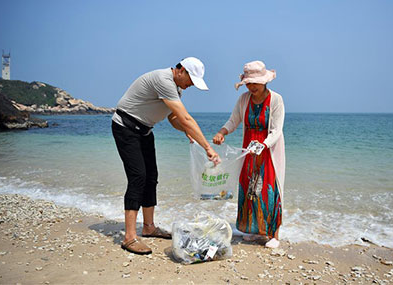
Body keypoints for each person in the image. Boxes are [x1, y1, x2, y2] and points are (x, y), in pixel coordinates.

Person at [112, 57, 220, 255]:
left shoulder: (176, 88)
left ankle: (149, 227)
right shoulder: (163, 80)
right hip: (125, 127)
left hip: (144, 130)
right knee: (138, 177)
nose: (190, 86)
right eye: (191, 81)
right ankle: (129, 238)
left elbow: (174, 118)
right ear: (181, 70)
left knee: (151, 177)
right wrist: (207, 147)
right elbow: (186, 117)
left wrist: (186, 132)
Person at [213, 60, 285, 248]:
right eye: (249, 83)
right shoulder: (244, 99)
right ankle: (254, 230)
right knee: (250, 188)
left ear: (264, 81)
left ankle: (274, 234)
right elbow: (234, 120)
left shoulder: (276, 99)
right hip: (249, 150)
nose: (251, 87)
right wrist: (222, 132)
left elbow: (277, 130)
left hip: (268, 150)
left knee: (270, 188)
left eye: (255, 83)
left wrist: (264, 145)